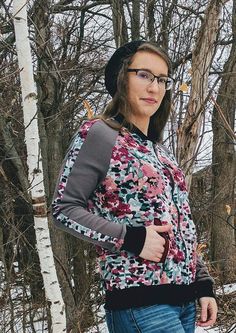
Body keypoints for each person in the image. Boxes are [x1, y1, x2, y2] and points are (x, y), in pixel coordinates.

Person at [52, 40, 217, 333]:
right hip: (140, 304)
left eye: (162, 79)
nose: (154, 87)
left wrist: (202, 282)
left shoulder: (160, 151)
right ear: (121, 77)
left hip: (184, 303)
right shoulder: (100, 134)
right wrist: (131, 238)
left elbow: (179, 224)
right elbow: (64, 209)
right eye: (144, 75)